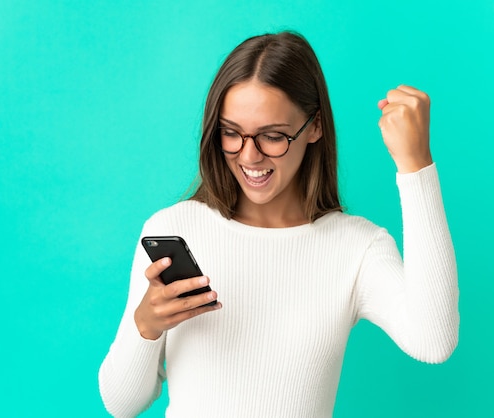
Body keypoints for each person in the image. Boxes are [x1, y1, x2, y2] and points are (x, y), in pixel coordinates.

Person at [98, 31, 459, 418]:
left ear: (315, 127)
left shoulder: (357, 246)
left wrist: (416, 165)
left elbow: (434, 340)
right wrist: (145, 325)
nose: (249, 156)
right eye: (231, 133)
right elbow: (121, 405)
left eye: (273, 136)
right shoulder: (175, 230)